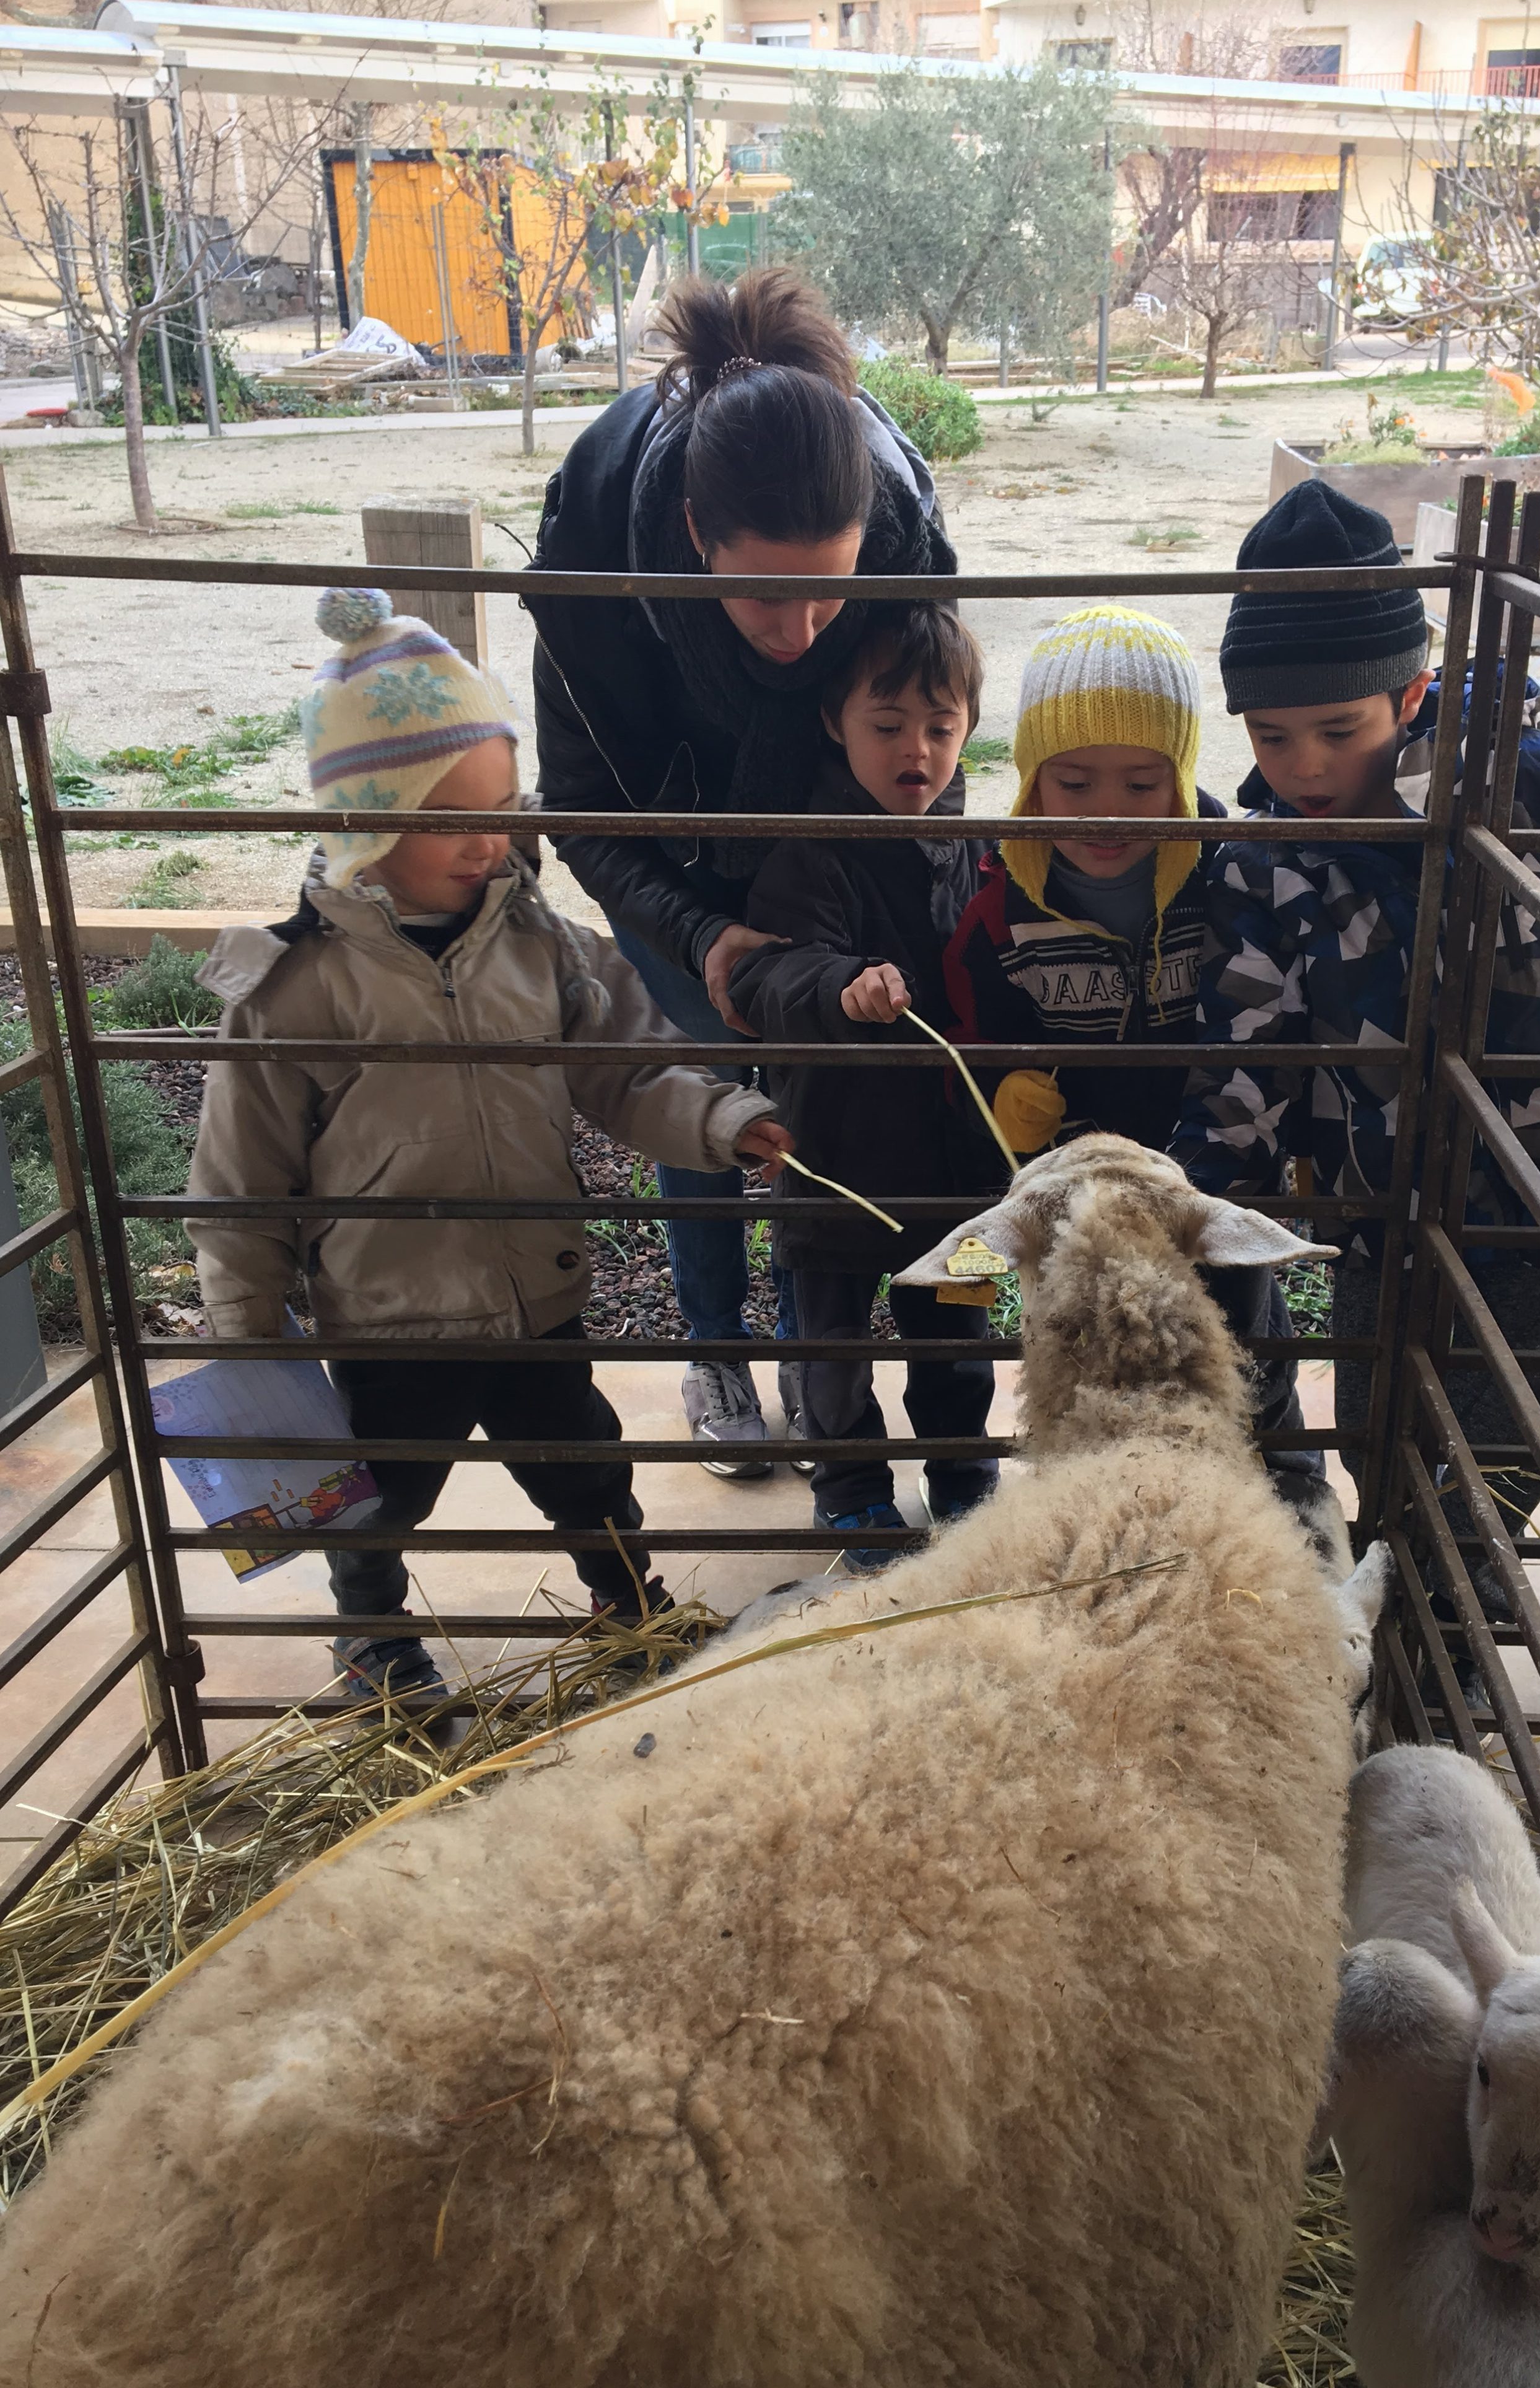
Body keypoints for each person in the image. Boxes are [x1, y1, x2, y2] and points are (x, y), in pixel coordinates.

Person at [185, 587, 790, 1706]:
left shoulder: (543, 947)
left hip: (535, 1292)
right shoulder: (295, 988)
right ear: (369, 825)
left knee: (588, 1467)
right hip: (389, 1313)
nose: (491, 838)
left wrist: (719, 1120)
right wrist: (250, 1333)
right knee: (378, 1498)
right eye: (451, 817)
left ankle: (630, 1607)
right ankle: (373, 1640)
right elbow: (241, 1178)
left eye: (506, 807)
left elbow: (626, 1067)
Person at [1179, 480, 1540, 1589]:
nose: (1305, 765)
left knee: (1506, 1424)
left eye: (1339, 730)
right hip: (1375, 1204)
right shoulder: (1265, 862)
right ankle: (1404, 1591)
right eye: (1271, 736)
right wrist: (1204, 1194)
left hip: (1537, 1181)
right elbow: (1249, 1048)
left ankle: (1467, 1606)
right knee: (1375, 1414)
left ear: (1413, 690)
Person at [527, 265, 958, 1481]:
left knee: (844, 1090)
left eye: (832, 588)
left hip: (837, 850)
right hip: (674, 856)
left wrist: (859, 915)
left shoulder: (905, 540)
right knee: (704, 1089)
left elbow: (928, 739)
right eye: (764, 592)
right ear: (692, 536)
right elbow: (583, 812)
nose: (801, 631)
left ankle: (822, 1363)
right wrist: (698, 934)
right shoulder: (592, 565)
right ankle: (716, 1346)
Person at [940, 602, 1341, 1556]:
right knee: (1090, 1347)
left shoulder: (1228, 878)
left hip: (1210, 1169)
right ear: (1033, 781)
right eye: (1074, 782)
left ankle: (1291, 1494)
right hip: (1083, 1195)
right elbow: (972, 1030)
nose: (1106, 811)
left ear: (1183, 776)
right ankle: (1103, 1514)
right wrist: (1005, 1100)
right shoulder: (1000, 908)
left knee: (1244, 1330)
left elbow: (1275, 1006)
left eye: (1143, 781)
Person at [727, 603, 995, 1572]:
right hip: (835, 1153)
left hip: (954, 1166)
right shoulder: (811, 849)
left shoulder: (975, 849)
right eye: (887, 725)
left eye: (941, 726)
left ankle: (964, 1476)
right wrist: (840, 983)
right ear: (834, 722)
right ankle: (852, 1494)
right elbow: (765, 974)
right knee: (831, 1343)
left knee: (957, 1336)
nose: (915, 749)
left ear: (969, 730)